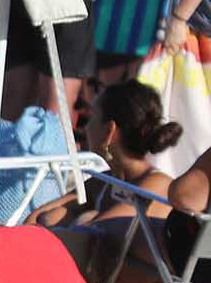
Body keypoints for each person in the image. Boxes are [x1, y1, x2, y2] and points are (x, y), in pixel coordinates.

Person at [34, 80, 179, 228]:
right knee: (54, 217)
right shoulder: (105, 181)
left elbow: (93, 233)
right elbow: (37, 218)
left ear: (109, 131)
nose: (86, 127)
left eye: (92, 117)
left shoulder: (159, 186)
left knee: (81, 218)